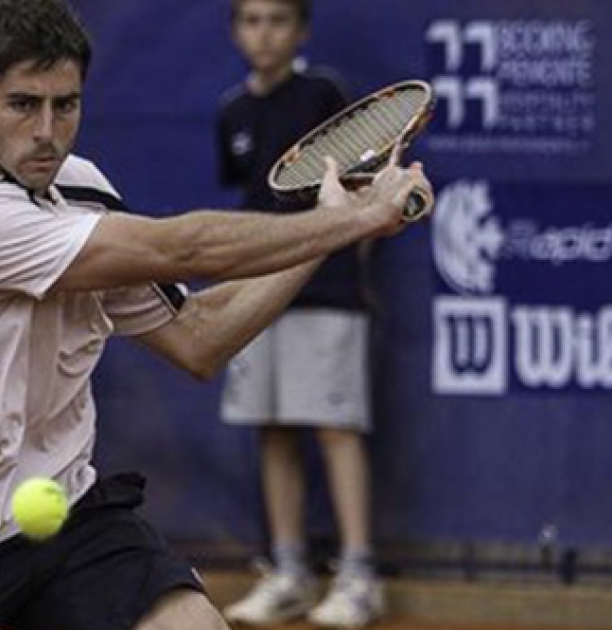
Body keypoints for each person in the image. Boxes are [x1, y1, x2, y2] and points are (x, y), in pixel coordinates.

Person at [0, 1, 431, 629]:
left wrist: (331, 232)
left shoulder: (80, 188)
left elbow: (199, 338)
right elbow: (181, 247)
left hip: (73, 524)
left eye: (64, 105)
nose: (46, 130)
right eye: (22, 104)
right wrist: (352, 219)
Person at [216, 0, 385, 627]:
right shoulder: (230, 110)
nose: (265, 33)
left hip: (328, 291)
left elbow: (365, 190)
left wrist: (341, 254)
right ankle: (289, 572)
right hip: (260, 292)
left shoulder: (324, 94)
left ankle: (360, 576)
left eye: (278, 20)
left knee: (334, 428)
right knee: (273, 427)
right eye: (252, 20)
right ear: (236, 30)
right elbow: (249, 194)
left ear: (301, 30)